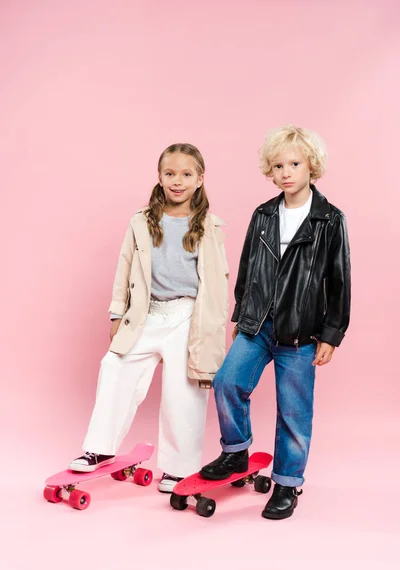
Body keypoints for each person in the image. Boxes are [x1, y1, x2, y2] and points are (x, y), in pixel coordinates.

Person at [200, 125, 351, 519]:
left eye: (295, 164)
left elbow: (339, 280)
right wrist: (242, 315)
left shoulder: (329, 220)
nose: (286, 172)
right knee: (227, 381)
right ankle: (235, 453)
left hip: (301, 334)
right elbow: (248, 268)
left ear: (311, 167)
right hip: (258, 325)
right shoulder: (264, 215)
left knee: (293, 411)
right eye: (279, 165)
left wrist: (331, 334)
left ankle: (287, 483)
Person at [69, 143, 229, 493]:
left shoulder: (209, 225)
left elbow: (218, 284)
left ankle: (178, 468)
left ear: (200, 179)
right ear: (159, 177)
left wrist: (214, 331)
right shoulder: (141, 222)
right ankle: (99, 448)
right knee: (114, 368)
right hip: (147, 313)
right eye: (170, 173)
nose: (177, 181)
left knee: (182, 391)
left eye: (186, 174)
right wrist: (116, 313)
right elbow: (124, 267)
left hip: (187, 316)